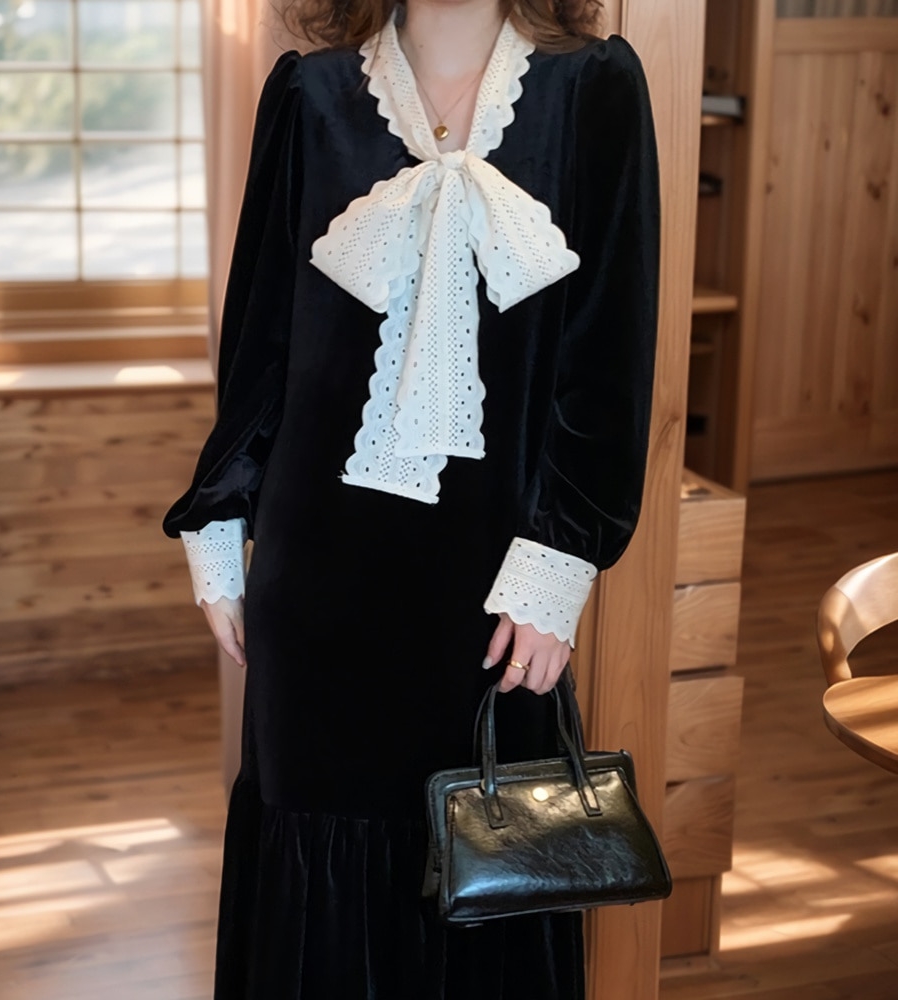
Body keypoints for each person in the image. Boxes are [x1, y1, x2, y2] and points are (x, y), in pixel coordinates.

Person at [162, 0, 660, 994]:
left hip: (495, 584)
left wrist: (562, 557)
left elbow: (608, 354)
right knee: (314, 865)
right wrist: (219, 519)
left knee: (486, 866)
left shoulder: (595, 87)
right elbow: (262, 338)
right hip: (317, 578)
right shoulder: (309, 95)